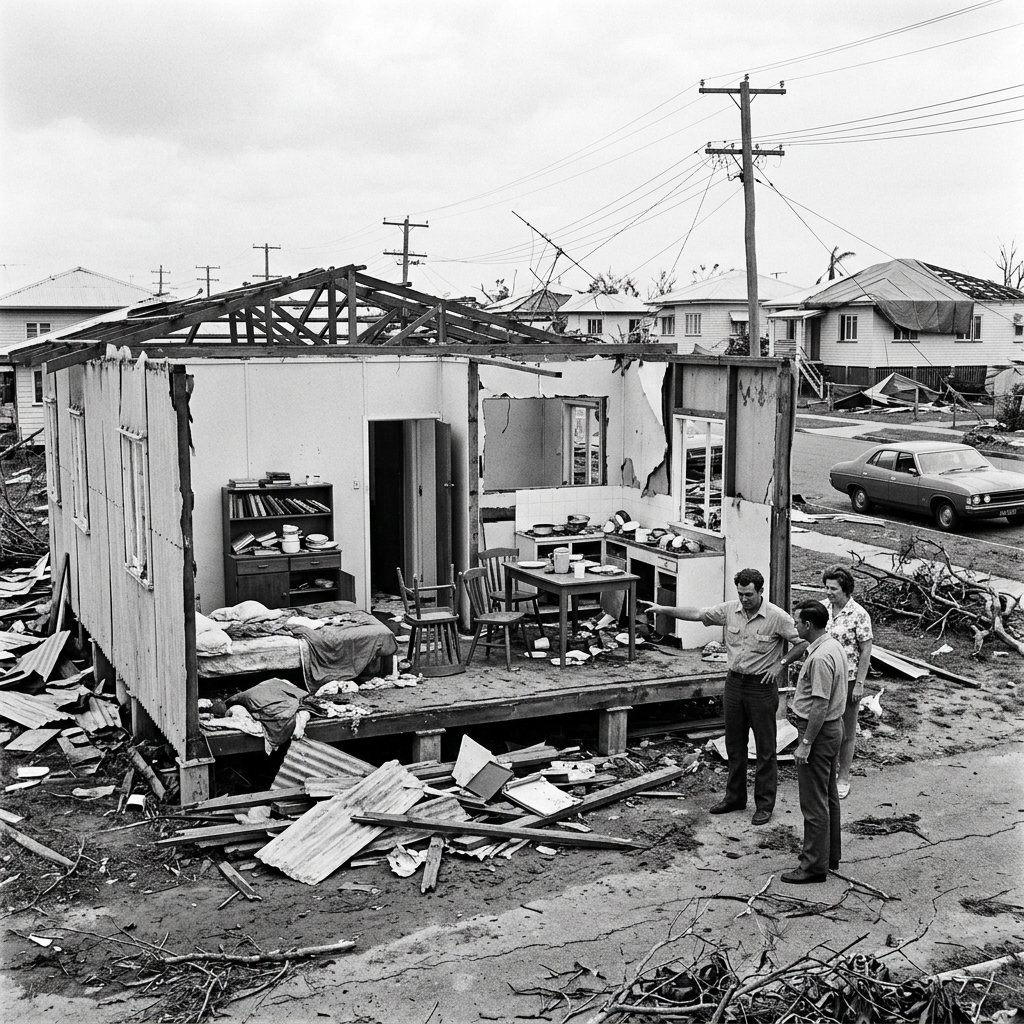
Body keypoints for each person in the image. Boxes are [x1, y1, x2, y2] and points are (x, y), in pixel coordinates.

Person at [649, 568, 798, 825]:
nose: (744, 599)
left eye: (749, 594)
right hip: (734, 684)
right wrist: (663, 609)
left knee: (765, 748)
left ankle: (764, 804)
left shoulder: (777, 617)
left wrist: (780, 664)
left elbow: (803, 642)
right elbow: (697, 613)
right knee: (734, 745)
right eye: (740, 594)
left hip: (761, 688)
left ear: (760, 591)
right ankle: (734, 798)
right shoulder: (730, 610)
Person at [781, 565, 873, 800]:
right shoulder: (822, 609)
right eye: (827, 587)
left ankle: (843, 776)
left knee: (846, 730)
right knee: (823, 725)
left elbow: (865, 650)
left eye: (834, 588)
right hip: (823, 676)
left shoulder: (859, 614)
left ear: (846, 589)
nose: (829, 592)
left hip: (847, 678)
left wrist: (860, 683)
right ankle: (826, 771)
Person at [781, 600, 848, 884]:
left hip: (818, 732)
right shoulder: (832, 646)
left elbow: (819, 704)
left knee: (813, 802)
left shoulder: (820, 658)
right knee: (828, 795)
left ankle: (812, 867)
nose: (795, 627)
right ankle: (828, 855)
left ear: (808, 625)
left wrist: (806, 742)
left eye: (797, 622)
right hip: (833, 728)